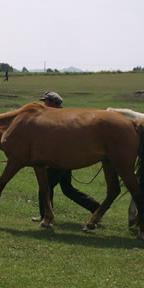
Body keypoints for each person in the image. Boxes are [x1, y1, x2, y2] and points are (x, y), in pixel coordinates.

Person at [32, 91, 101, 222]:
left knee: (45, 187)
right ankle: (96, 207)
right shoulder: (56, 116)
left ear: (53, 103)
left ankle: (45, 216)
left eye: (45, 102)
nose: (43, 104)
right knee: (67, 189)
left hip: (61, 159)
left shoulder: (61, 118)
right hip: (63, 159)